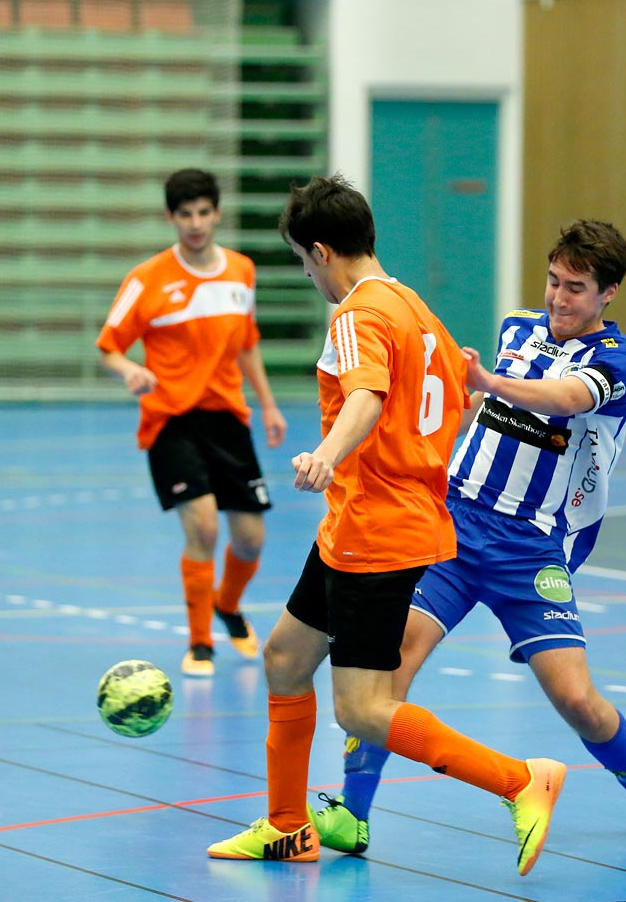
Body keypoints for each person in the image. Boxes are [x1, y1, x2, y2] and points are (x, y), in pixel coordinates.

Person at [206, 174, 565, 876]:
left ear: (321, 251)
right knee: (283, 658)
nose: (309, 276)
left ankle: (521, 781)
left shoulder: (356, 314)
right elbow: (454, 395)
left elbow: (367, 396)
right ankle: (287, 825)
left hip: (376, 529)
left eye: (304, 262)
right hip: (366, 520)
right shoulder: (416, 308)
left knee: (364, 710)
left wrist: (328, 453)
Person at [312, 219, 626, 855]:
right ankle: (352, 813)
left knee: (576, 699)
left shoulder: (618, 359)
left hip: (529, 547)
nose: (558, 297)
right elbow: (470, 402)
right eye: (553, 281)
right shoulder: (517, 328)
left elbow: (565, 399)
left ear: (609, 294)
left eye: (575, 288)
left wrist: (490, 384)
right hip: (454, 525)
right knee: (387, 672)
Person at [96, 168, 287, 678]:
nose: (196, 223)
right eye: (185, 214)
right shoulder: (147, 280)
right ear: (171, 218)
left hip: (227, 417)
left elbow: (247, 344)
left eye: (204, 212)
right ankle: (200, 642)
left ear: (217, 213)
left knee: (250, 539)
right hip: (171, 419)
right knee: (202, 526)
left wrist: (267, 405)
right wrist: (130, 369)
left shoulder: (241, 271)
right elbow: (108, 347)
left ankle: (228, 604)